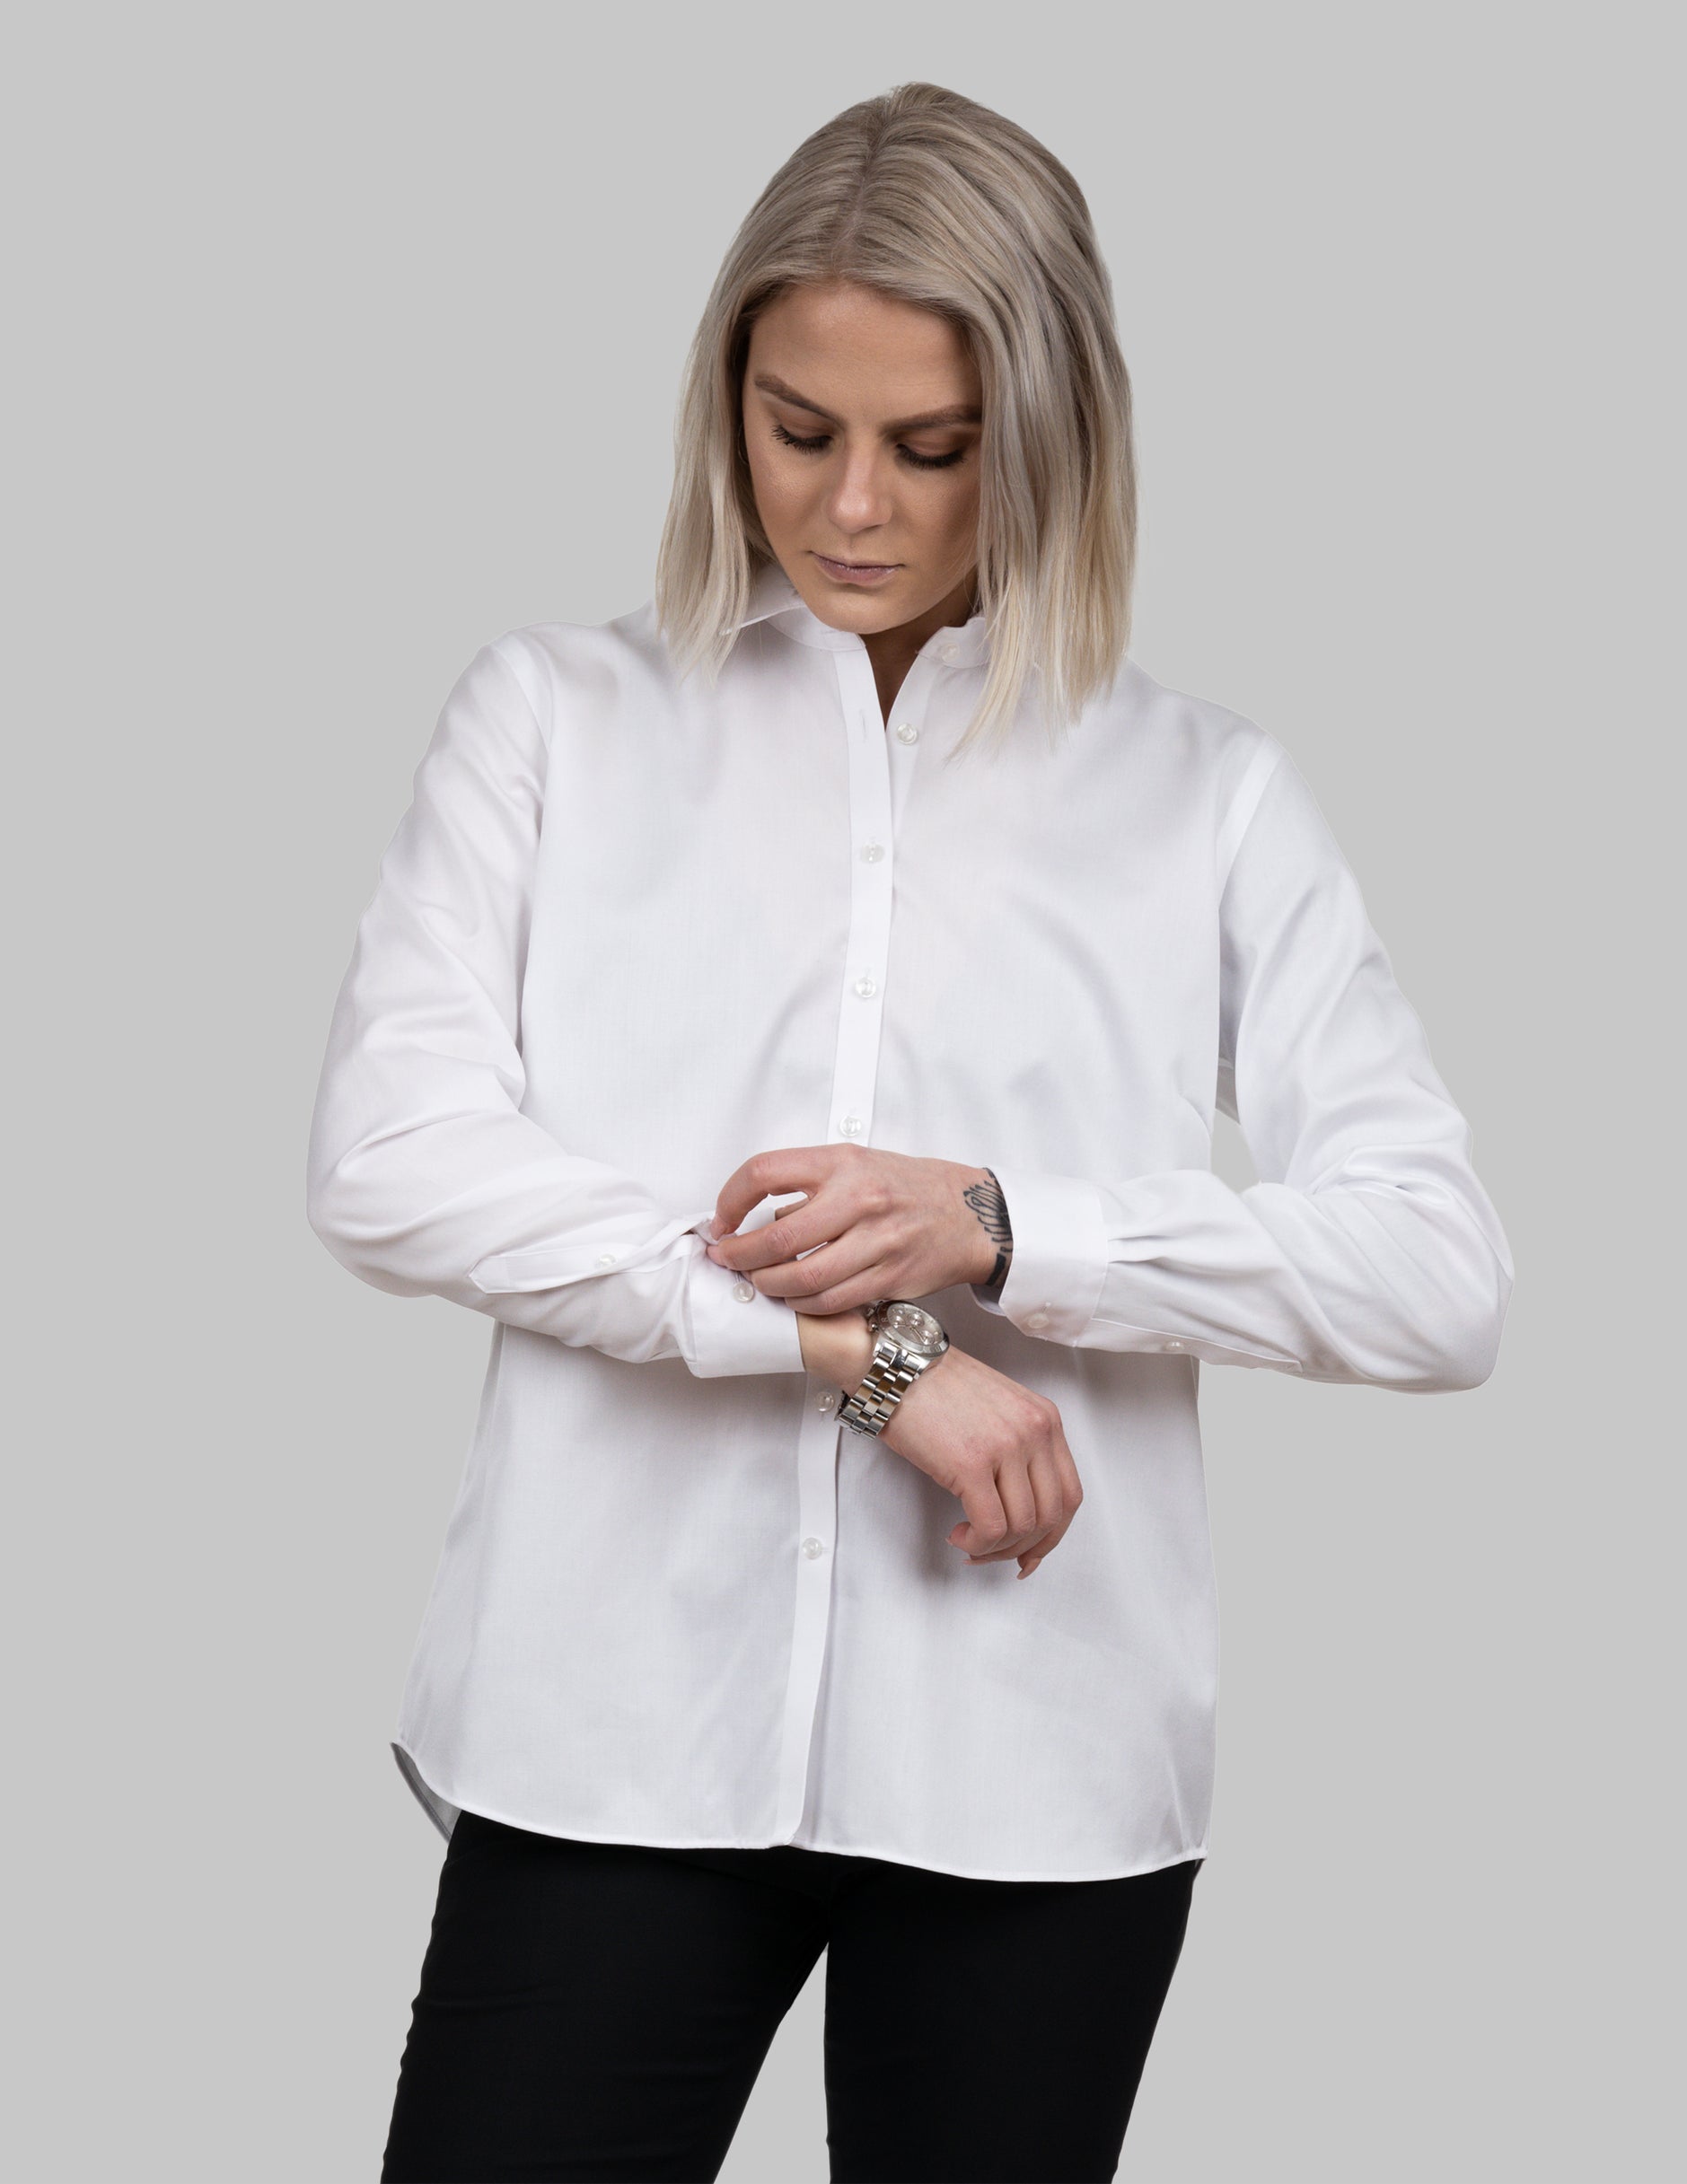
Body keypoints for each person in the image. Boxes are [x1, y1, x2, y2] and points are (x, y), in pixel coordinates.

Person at [308, 79, 1513, 2184]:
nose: (852, 504)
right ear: (726, 399)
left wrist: (1007, 1225)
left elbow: (1436, 1271)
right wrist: (856, 1350)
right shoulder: (553, 723)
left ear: (1045, 434)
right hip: (610, 1743)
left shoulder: (1202, 797)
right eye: (799, 428)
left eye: (933, 448)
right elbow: (391, 1160)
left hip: (1035, 1773)